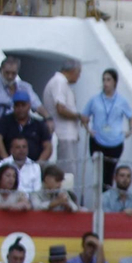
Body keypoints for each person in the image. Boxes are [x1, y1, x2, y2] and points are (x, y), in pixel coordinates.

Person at [83, 68, 132, 189]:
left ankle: (107, 200)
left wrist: (130, 131)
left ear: (115, 82)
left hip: (115, 142)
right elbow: (84, 116)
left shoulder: (121, 101)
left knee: (110, 173)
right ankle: (98, 201)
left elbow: (130, 116)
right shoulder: (95, 99)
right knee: (98, 173)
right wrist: (89, 130)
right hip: (98, 140)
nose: (105, 83)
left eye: (108, 80)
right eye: (104, 80)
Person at [42, 59, 84, 199]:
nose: (79, 76)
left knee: (68, 172)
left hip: (67, 135)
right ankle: (65, 200)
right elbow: (60, 108)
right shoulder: (59, 82)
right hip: (63, 135)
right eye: (79, 73)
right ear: (73, 71)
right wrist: (79, 116)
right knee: (66, 172)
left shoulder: (62, 83)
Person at [0, 92, 52, 167]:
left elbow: (48, 146)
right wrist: (7, 161)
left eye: (23, 105)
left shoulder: (39, 124)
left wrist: (37, 164)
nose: (20, 108)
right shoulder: (5, 121)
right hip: (9, 165)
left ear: (29, 105)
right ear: (13, 107)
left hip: (35, 164)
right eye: (17, 105)